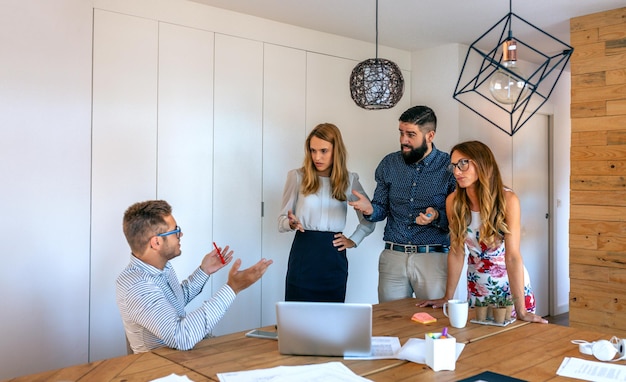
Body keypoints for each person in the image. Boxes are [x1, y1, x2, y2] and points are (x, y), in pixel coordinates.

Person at [116, 200, 273, 353]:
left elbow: (176, 301)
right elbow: (182, 337)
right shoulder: (136, 285)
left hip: (185, 355)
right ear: (156, 242)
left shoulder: (162, 267)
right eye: (175, 231)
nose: (181, 234)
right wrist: (233, 288)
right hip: (163, 367)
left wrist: (204, 271)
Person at [418, 141, 547, 323]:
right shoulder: (453, 201)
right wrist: (448, 297)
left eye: (463, 163)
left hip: (511, 289)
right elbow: (456, 251)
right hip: (477, 287)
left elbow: (512, 257)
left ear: (482, 163)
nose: (456, 171)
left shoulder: (507, 200)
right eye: (454, 166)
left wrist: (521, 310)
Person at [349, 105, 457, 302]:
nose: (403, 140)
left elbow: (457, 219)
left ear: (430, 136)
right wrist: (370, 209)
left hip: (433, 258)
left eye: (410, 134)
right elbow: (380, 209)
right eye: (401, 133)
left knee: (435, 325)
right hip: (393, 256)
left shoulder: (449, 167)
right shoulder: (389, 164)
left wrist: (437, 216)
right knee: (389, 322)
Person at [278, 123, 375, 302]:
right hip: (304, 252)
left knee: (332, 317)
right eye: (313, 151)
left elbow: (369, 218)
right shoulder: (297, 177)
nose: (317, 157)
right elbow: (282, 220)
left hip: (333, 256)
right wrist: (290, 223)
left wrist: (353, 240)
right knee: (297, 317)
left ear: (336, 151)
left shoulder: (349, 180)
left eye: (323, 151)